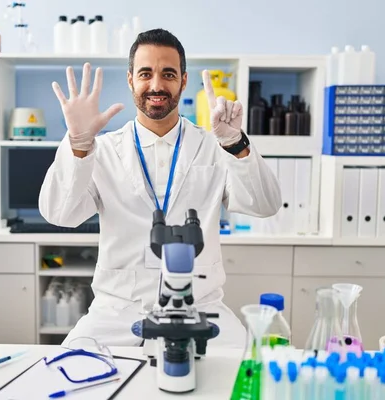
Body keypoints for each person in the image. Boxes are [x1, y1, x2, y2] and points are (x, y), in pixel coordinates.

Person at [39, 28, 282, 348]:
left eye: (168, 74)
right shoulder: (103, 150)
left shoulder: (215, 145)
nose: (156, 85)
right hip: (117, 312)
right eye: (145, 73)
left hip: (202, 310)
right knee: (69, 373)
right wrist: (78, 145)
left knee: (245, 379)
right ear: (130, 80)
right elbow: (60, 214)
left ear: (183, 80)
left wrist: (236, 144)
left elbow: (265, 204)